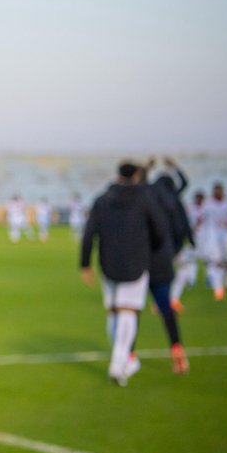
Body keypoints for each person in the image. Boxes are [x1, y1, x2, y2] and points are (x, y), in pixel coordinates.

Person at [79, 161, 169, 385]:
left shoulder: (103, 200)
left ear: (118, 175)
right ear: (136, 175)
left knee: (113, 311)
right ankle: (119, 363)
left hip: (108, 262)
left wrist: (85, 263)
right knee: (127, 310)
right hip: (136, 261)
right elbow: (160, 229)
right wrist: (151, 250)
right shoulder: (144, 199)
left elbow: (89, 232)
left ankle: (124, 361)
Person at [144, 159, 191, 373]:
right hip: (164, 261)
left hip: (140, 260)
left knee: (129, 311)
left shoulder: (148, 198)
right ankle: (178, 351)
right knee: (166, 311)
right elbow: (185, 183)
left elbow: (137, 183)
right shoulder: (174, 200)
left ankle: (127, 356)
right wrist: (175, 167)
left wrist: (147, 167)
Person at [199, 182, 227, 300]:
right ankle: (217, 285)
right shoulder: (207, 203)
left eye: (219, 191)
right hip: (212, 234)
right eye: (215, 191)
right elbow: (201, 217)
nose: (217, 193)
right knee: (215, 259)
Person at [171, 190, 207, 308]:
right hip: (180, 243)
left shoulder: (208, 207)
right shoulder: (188, 208)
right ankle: (172, 298)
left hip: (204, 237)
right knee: (188, 262)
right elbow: (185, 224)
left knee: (203, 260)